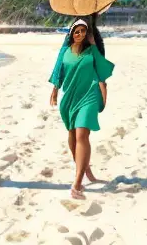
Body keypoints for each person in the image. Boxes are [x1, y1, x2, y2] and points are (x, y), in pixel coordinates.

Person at [49, 18, 114, 199]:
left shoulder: (91, 51)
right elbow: (58, 72)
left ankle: (77, 184)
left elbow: (103, 70)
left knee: (81, 135)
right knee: (72, 136)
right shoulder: (65, 52)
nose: (80, 34)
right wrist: (54, 89)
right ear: (71, 34)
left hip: (89, 96)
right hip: (70, 97)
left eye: (83, 31)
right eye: (76, 31)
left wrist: (93, 45)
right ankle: (86, 171)